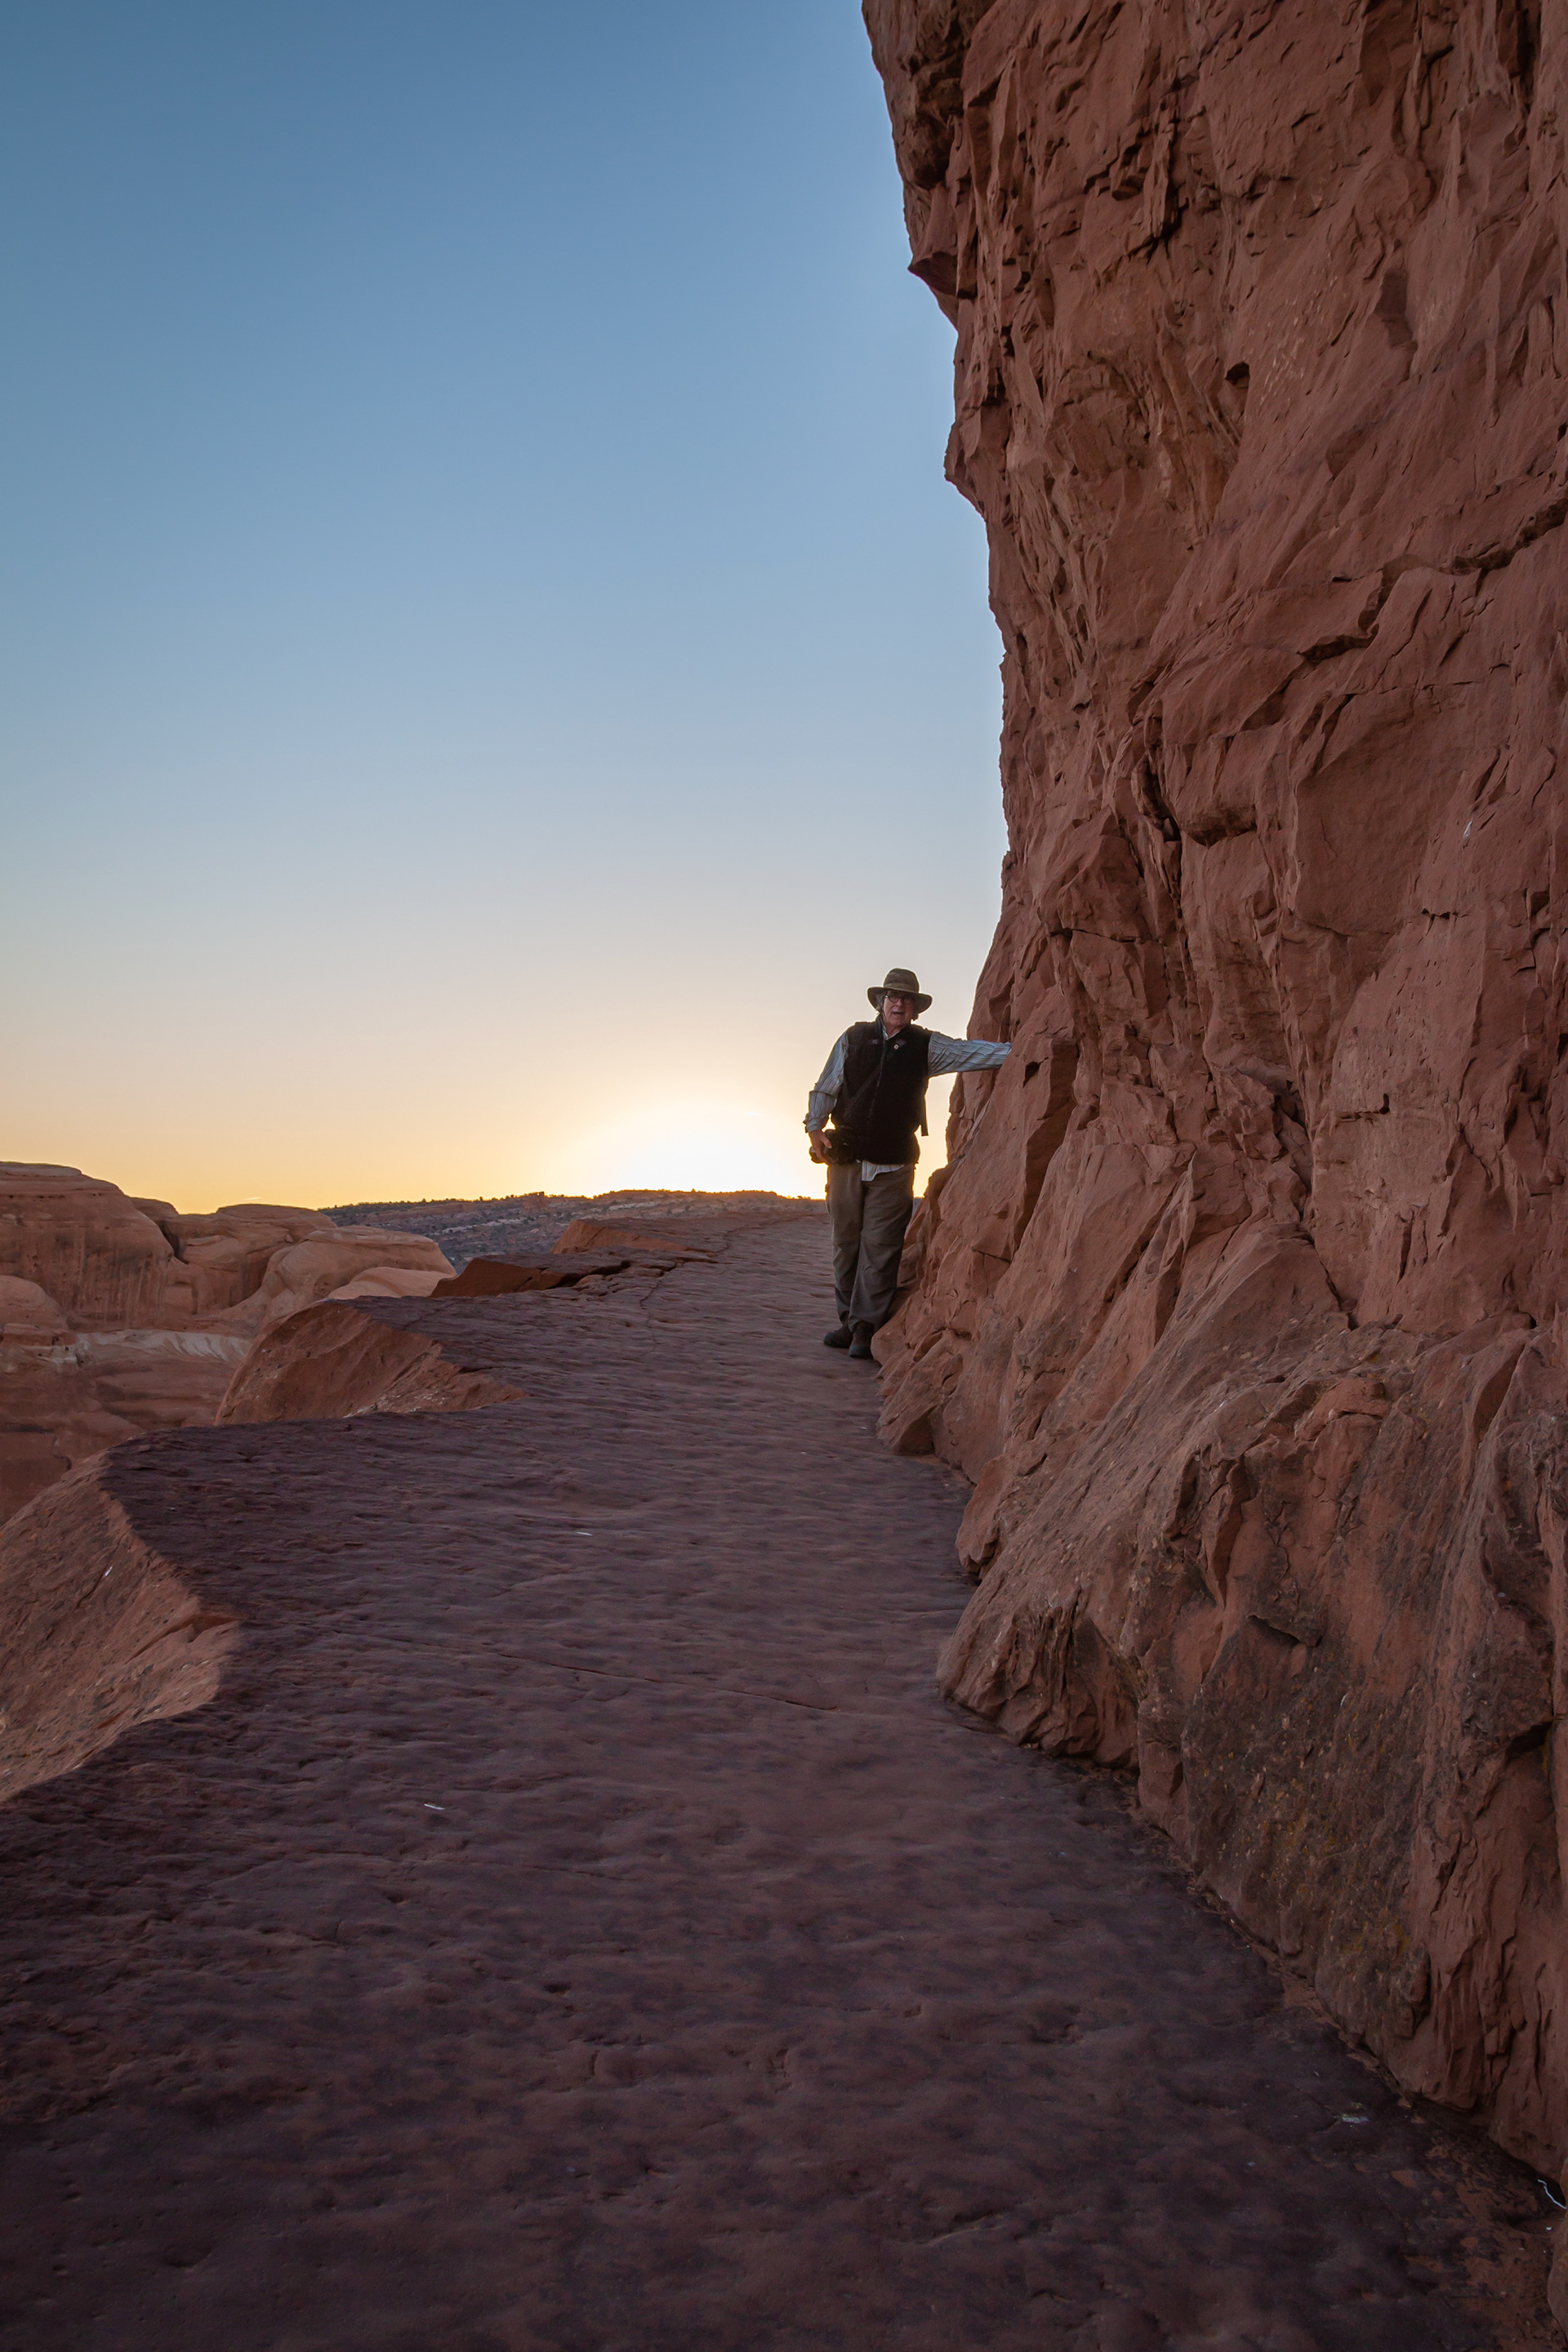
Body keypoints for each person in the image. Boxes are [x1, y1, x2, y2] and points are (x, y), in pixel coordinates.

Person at [805, 967, 1010, 1359]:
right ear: (880, 1002)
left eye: (906, 999)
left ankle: (866, 1327)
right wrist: (814, 1128)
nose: (898, 1003)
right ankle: (849, 1322)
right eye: (892, 997)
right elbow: (826, 1085)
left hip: (894, 1163)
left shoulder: (927, 1046)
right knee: (845, 1244)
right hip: (845, 1160)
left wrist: (1021, 1050)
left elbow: (975, 1053)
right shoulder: (853, 1039)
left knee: (880, 1247)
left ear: (915, 1009)